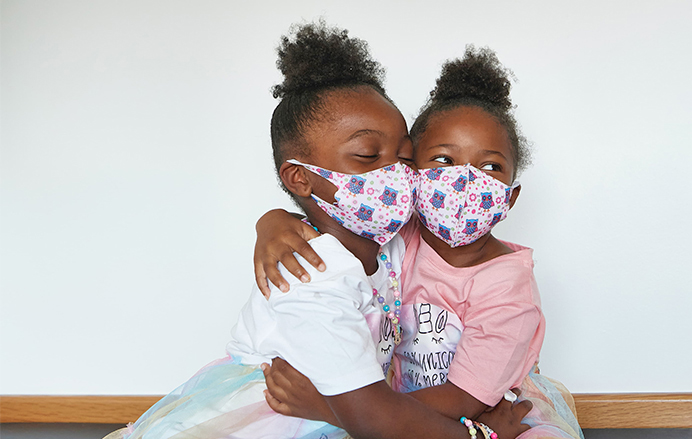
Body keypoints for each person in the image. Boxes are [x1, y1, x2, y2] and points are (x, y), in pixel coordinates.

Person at [105, 22, 530, 439]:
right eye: (367, 154)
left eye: (403, 157)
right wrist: (480, 436)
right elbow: (372, 417)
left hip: (352, 411)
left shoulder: (389, 243)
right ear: (300, 177)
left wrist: (272, 219)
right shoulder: (309, 276)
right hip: (278, 418)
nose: (395, 174)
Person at [254, 47, 583, 439]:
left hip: (484, 411)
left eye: (491, 166)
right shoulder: (393, 234)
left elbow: (465, 398)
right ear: (416, 175)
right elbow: (334, 220)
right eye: (442, 161)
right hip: (394, 411)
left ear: (509, 197)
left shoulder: (510, 291)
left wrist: (331, 411)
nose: (464, 181)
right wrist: (274, 221)